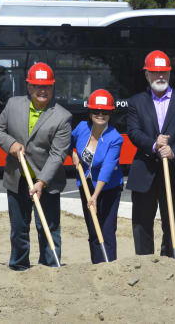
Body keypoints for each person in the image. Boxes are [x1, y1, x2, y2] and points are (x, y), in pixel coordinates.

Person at [0, 62, 71, 269]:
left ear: (52, 87)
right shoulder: (13, 105)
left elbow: (57, 154)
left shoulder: (62, 117)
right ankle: (19, 266)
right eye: (37, 86)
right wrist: (11, 144)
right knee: (19, 228)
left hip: (47, 182)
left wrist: (41, 182)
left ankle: (50, 267)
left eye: (47, 86)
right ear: (29, 86)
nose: (42, 90)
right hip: (17, 178)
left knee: (48, 228)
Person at [126, 50, 175, 259]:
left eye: (163, 72)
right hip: (144, 172)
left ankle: (170, 260)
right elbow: (133, 132)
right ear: (146, 74)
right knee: (141, 224)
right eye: (155, 72)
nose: (160, 76)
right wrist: (154, 145)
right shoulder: (136, 102)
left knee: (173, 223)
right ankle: (145, 263)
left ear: (169, 73)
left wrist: (174, 150)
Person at [70, 89, 124, 264]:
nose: (100, 115)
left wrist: (95, 196)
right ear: (90, 112)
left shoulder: (115, 138)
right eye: (96, 111)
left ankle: (109, 266)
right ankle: (96, 266)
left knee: (106, 229)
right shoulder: (82, 128)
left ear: (110, 113)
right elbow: (67, 142)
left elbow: (107, 168)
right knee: (93, 228)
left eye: (105, 112)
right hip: (86, 184)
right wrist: (72, 153)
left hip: (108, 187)